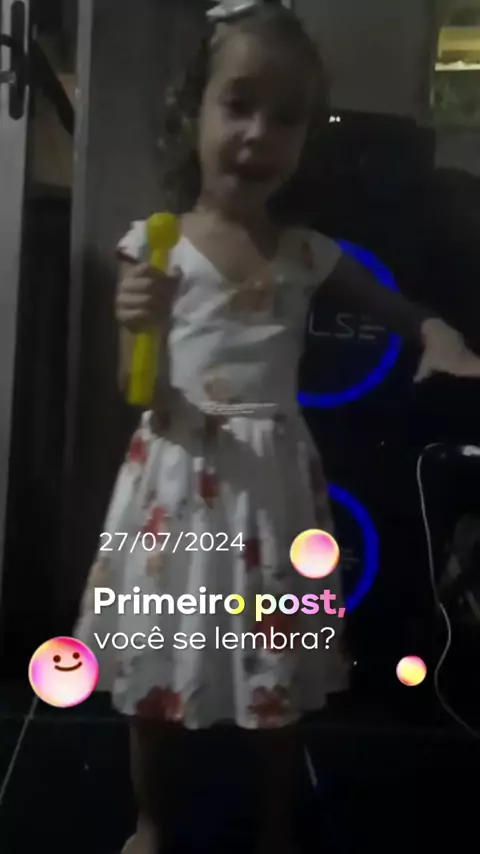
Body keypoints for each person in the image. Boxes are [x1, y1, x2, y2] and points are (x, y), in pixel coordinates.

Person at [75, 4, 480, 853]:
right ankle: (150, 822)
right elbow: (133, 388)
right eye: (239, 104)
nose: (259, 132)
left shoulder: (305, 253)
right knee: (155, 662)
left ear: (303, 138)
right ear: (194, 112)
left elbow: (400, 309)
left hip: (273, 494)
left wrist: (437, 333)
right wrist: (136, 318)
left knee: (278, 668)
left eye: (285, 117)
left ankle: (273, 825)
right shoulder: (154, 248)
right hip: (175, 487)